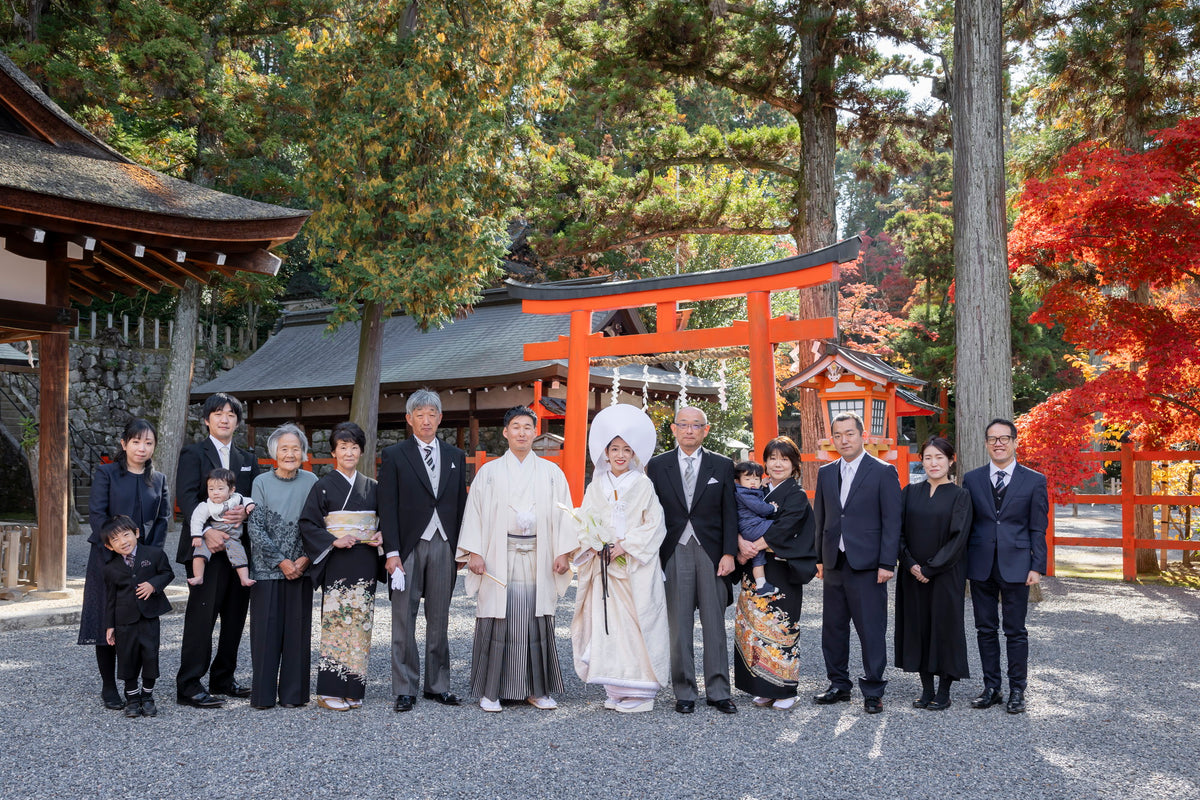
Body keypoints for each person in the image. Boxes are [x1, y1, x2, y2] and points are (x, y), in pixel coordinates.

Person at [456, 406, 574, 713]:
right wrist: (475, 552)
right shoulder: (490, 473)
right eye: (516, 427)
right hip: (499, 556)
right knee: (499, 620)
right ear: (506, 432)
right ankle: (491, 691)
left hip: (539, 554)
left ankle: (537, 690)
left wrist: (563, 551)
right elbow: (475, 514)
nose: (522, 432)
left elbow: (565, 516)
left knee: (535, 621)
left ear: (535, 432)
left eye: (527, 427)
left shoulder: (551, 473)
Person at [569, 404, 670, 713]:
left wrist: (625, 547)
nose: (620, 455)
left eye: (627, 449)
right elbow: (584, 521)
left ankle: (640, 691)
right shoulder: (596, 485)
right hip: (604, 567)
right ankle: (615, 687)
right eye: (614, 449)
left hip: (634, 567)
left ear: (635, 454)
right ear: (605, 453)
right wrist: (596, 544)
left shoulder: (642, 484)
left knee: (636, 624)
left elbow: (655, 524)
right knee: (607, 624)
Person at [646, 405, 739, 715]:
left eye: (695, 425)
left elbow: (730, 512)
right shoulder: (658, 466)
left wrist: (728, 553)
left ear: (706, 430)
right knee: (678, 624)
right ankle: (684, 690)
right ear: (673, 429)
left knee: (715, 623)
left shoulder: (722, 465)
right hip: (673, 549)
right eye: (683, 425)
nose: (689, 430)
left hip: (711, 552)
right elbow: (651, 511)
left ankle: (719, 691)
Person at [379, 390, 468, 713]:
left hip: (444, 543)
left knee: (440, 619)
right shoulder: (394, 455)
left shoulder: (455, 456)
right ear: (409, 419)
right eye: (419, 414)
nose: (426, 420)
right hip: (408, 546)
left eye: (432, 413)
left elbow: (460, 506)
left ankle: (438, 685)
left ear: (440, 418)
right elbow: (386, 507)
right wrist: (391, 552)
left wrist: (463, 548)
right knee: (403, 618)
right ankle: (404, 687)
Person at [175, 392, 261, 709]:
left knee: (235, 616)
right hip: (205, 547)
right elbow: (185, 497)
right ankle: (188, 685)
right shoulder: (193, 453)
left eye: (230, 414)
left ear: (237, 421)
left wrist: (246, 512)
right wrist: (208, 530)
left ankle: (223, 677)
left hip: (239, 548)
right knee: (202, 616)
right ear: (207, 419)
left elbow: (253, 496)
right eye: (218, 413)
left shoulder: (248, 459)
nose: (224, 419)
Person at [812, 411, 901, 714]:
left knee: (871, 629)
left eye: (849, 433)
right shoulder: (826, 473)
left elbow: (892, 521)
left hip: (869, 564)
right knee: (833, 629)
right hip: (835, 562)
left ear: (863, 436)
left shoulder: (882, 471)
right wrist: (820, 559)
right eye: (838, 435)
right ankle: (838, 684)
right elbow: (820, 518)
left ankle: (873, 689)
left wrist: (887, 562)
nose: (843, 440)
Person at [79, 418, 171, 710]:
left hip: (143, 563)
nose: (142, 448)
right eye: (136, 442)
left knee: (141, 623)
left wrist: (148, 558)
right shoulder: (106, 473)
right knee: (107, 621)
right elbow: (96, 513)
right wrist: (115, 547)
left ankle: (140, 686)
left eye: (148, 443)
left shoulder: (159, 479)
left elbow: (162, 520)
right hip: (108, 559)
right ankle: (109, 686)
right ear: (124, 444)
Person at [962, 418, 1049, 714]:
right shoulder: (972, 480)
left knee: (1015, 630)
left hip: (1018, 565)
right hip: (981, 564)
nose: (998, 443)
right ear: (986, 444)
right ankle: (991, 687)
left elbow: (1038, 527)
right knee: (985, 629)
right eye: (992, 439)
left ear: (1014, 442)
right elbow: (966, 525)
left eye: (1004, 438)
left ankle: (1017, 690)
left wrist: (1037, 566)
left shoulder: (1034, 480)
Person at [300, 421, 382, 712]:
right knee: (336, 623)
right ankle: (329, 690)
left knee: (361, 623)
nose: (349, 452)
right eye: (343, 447)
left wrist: (382, 534)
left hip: (365, 559)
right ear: (334, 451)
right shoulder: (322, 486)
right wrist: (333, 540)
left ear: (361, 451)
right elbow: (308, 524)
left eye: (354, 447)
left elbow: (384, 520)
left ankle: (354, 686)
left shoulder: (373, 487)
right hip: (338, 558)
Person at [733, 437, 818, 710]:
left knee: (781, 628)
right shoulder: (759, 490)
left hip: (781, 570)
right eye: (772, 458)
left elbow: (784, 527)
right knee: (754, 627)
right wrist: (741, 545)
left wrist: (750, 547)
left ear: (794, 464)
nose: (777, 463)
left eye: (784, 458)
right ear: (765, 462)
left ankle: (785, 690)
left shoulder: (795, 494)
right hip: (756, 569)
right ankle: (763, 686)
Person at [895, 437, 973, 711]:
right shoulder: (909, 492)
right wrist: (911, 564)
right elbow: (898, 533)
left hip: (945, 575)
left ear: (951, 460)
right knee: (918, 628)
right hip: (912, 573)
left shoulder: (960, 495)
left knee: (943, 628)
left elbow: (958, 537)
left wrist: (930, 568)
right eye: (928, 457)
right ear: (922, 461)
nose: (933, 463)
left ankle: (944, 690)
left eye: (939, 457)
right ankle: (926, 688)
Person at [246, 424, 318, 710]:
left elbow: (318, 524)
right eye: (284, 448)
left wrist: (306, 558)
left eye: (295, 448)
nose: (290, 453)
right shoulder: (261, 482)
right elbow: (256, 528)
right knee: (265, 633)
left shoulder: (312, 480)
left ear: (303, 452)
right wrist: (281, 560)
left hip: (302, 567)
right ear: (274, 452)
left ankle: (294, 695)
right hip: (267, 569)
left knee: (297, 633)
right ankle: (263, 696)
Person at [100, 515, 174, 718]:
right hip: (124, 621)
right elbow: (110, 599)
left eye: (126, 535)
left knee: (150, 655)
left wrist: (153, 584)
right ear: (109, 546)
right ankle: (132, 698)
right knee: (127, 658)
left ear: (137, 533)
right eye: (115, 539)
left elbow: (167, 573)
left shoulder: (154, 554)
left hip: (149, 617)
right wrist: (110, 625)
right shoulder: (110, 569)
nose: (123, 541)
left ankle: (147, 696)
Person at [188, 468, 256, 588]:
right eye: (211, 489)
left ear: (231, 490)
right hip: (212, 534)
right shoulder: (206, 505)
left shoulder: (236, 498)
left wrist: (249, 506)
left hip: (232, 537)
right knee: (199, 553)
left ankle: (244, 578)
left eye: (220, 489)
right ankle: (198, 576)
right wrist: (197, 536)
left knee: (239, 554)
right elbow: (196, 519)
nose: (215, 492)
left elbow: (247, 500)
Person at [733, 461, 778, 596]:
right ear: (738, 481)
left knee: (758, 559)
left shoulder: (746, 490)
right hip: (752, 527)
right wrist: (772, 508)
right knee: (780, 526)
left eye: (756, 478)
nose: (752, 482)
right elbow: (759, 508)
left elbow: (756, 493)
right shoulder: (743, 493)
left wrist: (762, 483)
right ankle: (782, 551)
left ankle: (761, 584)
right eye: (747, 479)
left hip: (750, 529)